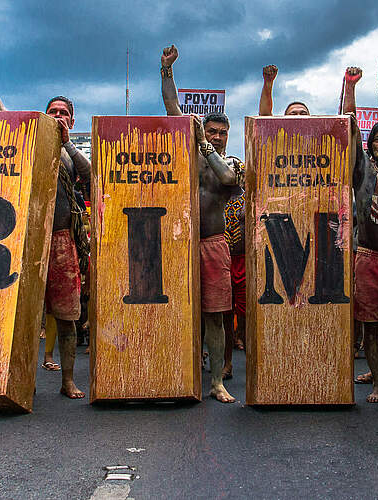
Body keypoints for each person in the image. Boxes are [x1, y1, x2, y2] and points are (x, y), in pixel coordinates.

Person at [0, 52, 92, 399]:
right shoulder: (27, 140)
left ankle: (68, 380)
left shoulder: (71, 153)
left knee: (68, 317)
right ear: (44, 116)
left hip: (61, 241)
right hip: (23, 240)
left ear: (72, 120)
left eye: (64, 114)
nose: (57, 117)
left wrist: (67, 141)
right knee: (20, 314)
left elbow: (91, 174)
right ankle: (16, 378)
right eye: (52, 112)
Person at [160, 45, 240, 402]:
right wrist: (166, 71)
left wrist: (206, 146)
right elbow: (172, 110)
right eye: (212, 130)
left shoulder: (232, 163)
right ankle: (185, 373)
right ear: (204, 129)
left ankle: (216, 382)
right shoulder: (189, 156)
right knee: (182, 311)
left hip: (214, 243)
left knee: (216, 314)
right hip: (183, 242)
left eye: (222, 132)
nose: (218, 136)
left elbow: (226, 181)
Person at [340, 67, 378, 403]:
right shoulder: (362, 169)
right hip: (369, 256)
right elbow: (348, 124)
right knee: (371, 324)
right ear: (371, 145)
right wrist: (349, 86)